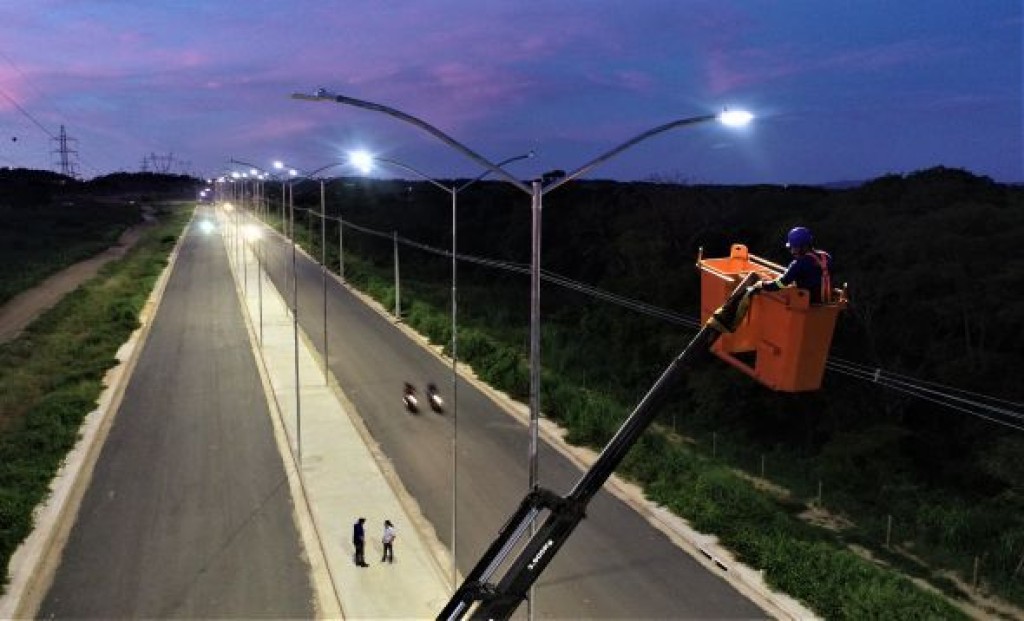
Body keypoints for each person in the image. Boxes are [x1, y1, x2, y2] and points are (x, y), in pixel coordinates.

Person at [749, 226, 834, 304]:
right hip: (827, 301)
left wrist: (763, 285)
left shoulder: (798, 264)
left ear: (803, 247)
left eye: (794, 248)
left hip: (807, 303)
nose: (792, 251)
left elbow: (781, 284)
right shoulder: (826, 257)